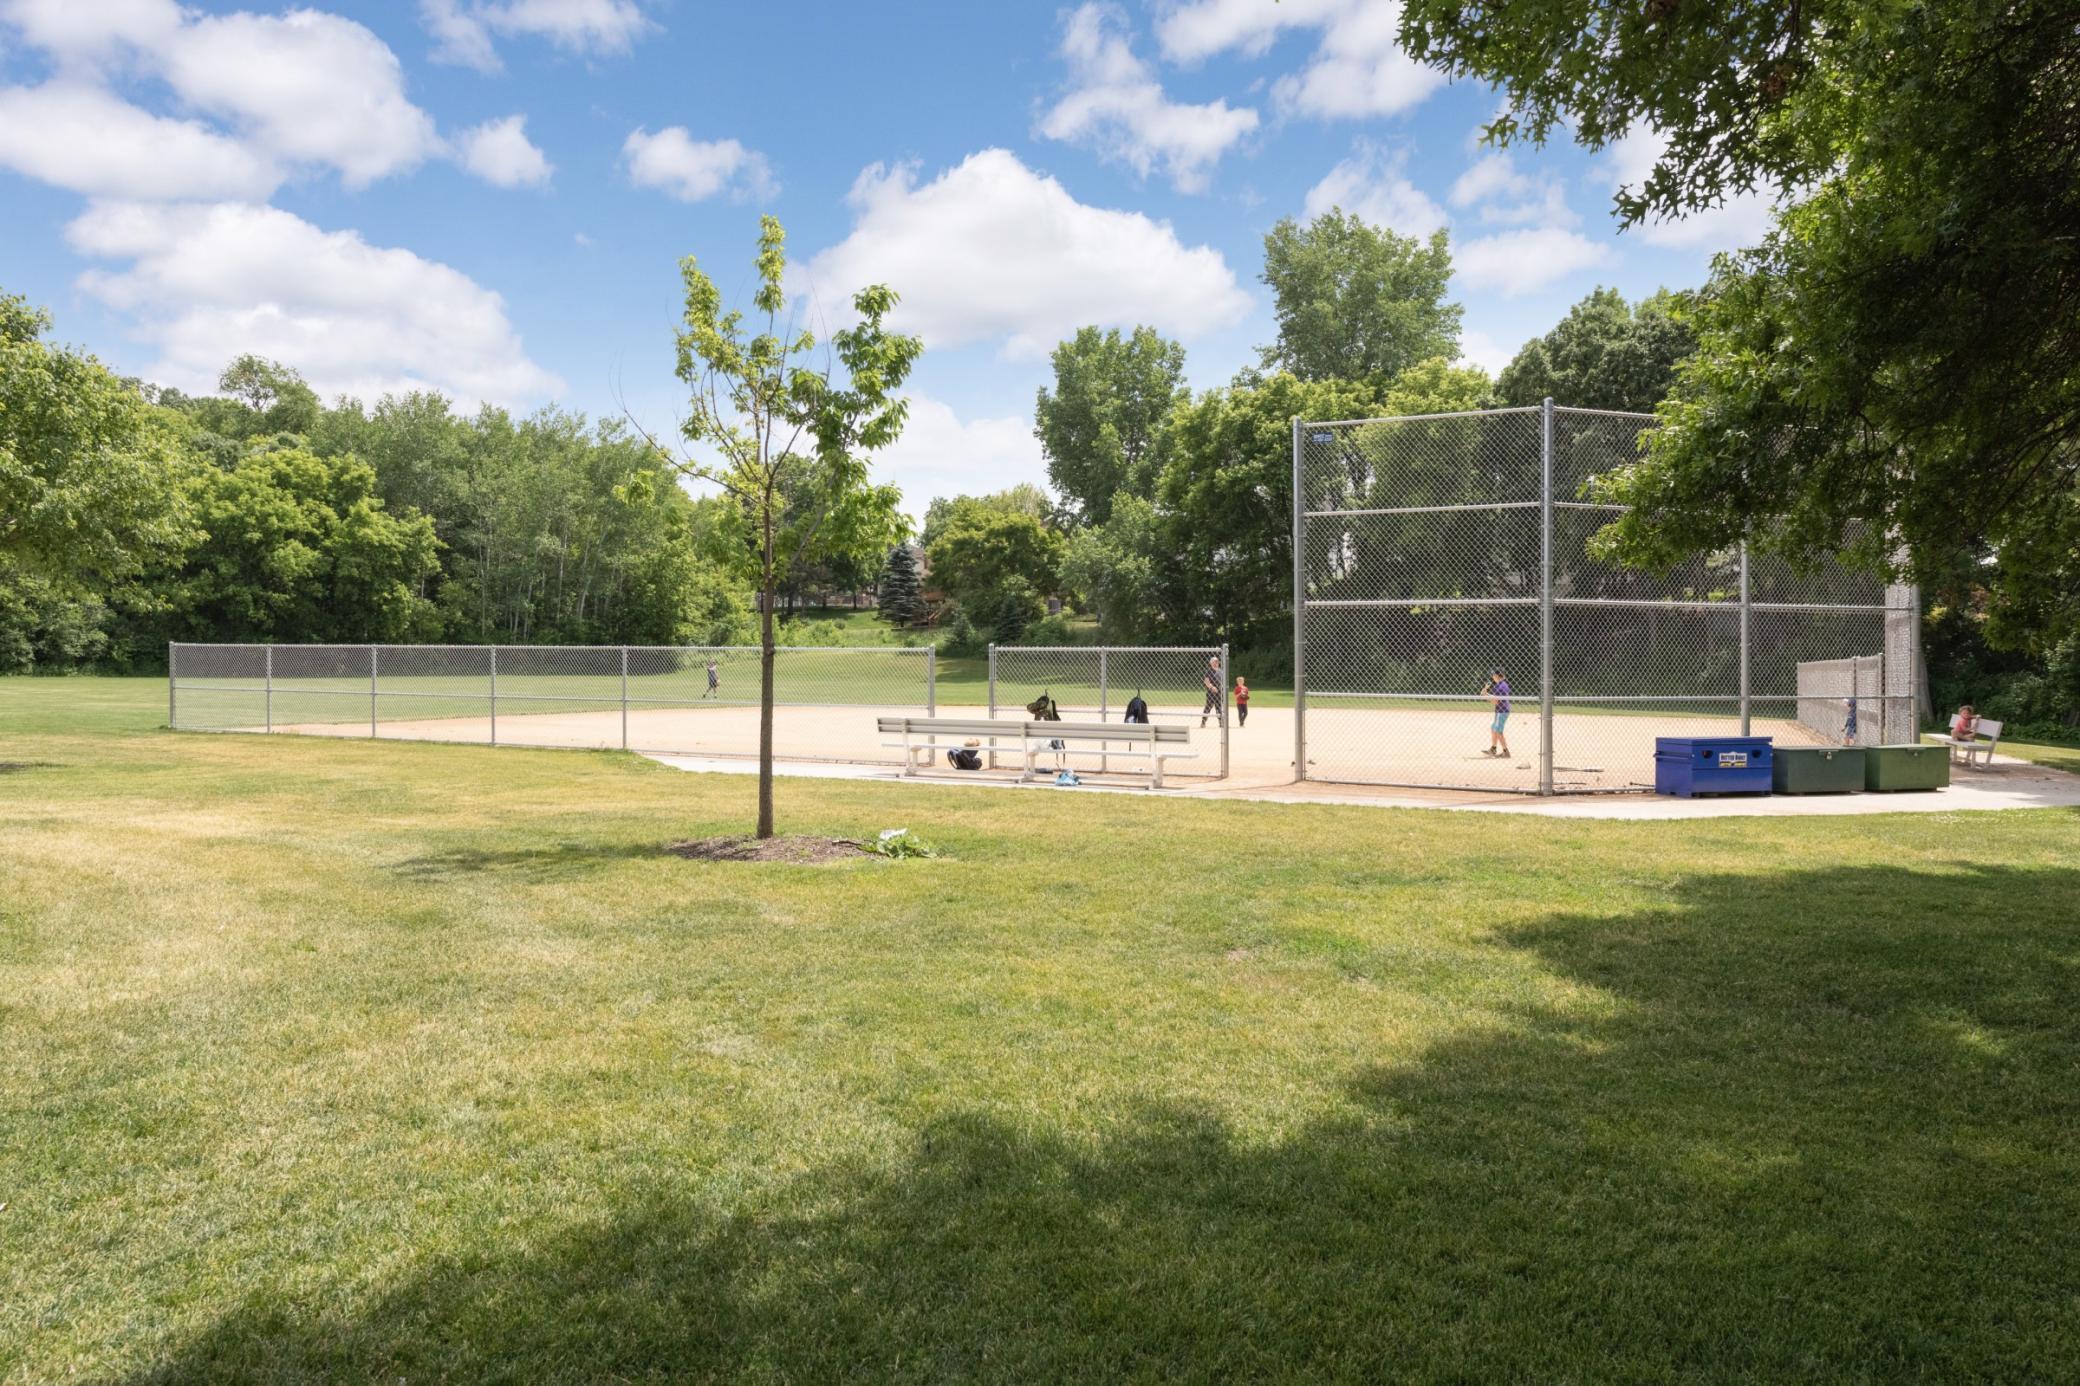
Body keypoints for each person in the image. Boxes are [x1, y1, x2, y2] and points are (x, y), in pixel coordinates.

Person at [1480, 668, 1512, 759]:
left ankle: (1506, 752)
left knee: (1498, 731)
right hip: (1501, 710)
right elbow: (1495, 697)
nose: (1492, 676)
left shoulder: (1500, 686)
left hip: (1502, 711)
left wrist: (1485, 696)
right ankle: (1493, 748)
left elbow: (1496, 701)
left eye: (1493, 675)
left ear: (1497, 676)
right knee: (1494, 728)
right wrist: (1486, 693)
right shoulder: (1501, 684)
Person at [1200, 655, 1224, 728]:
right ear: (1211, 663)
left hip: (1219, 692)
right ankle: (1203, 722)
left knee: (1219, 707)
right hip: (1211, 692)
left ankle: (1221, 722)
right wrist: (1212, 687)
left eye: (1217, 662)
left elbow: (1222, 681)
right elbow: (1206, 681)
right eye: (1214, 662)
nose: (1216, 663)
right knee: (1208, 707)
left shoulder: (1220, 671)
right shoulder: (1209, 671)